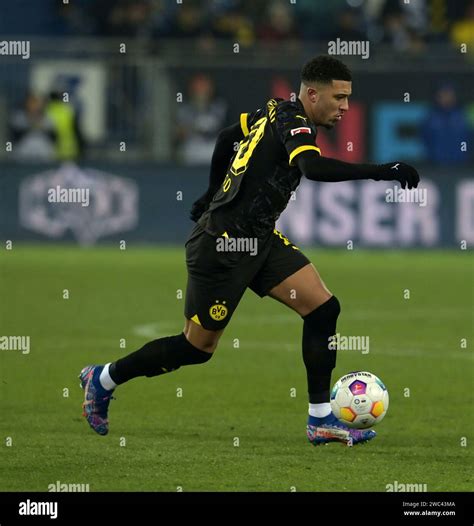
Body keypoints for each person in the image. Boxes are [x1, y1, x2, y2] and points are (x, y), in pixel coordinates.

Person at [79, 56, 419, 446]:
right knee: (196, 347)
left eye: (347, 98)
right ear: (312, 94)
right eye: (339, 97)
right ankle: (103, 377)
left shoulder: (272, 111)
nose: (344, 107)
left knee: (324, 308)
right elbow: (312, 168)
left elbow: (227, 138)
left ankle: (320, 418)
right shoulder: (293, 121)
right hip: (221, 245)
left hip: (258, 238)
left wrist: (211, 192)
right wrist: (382, 170)